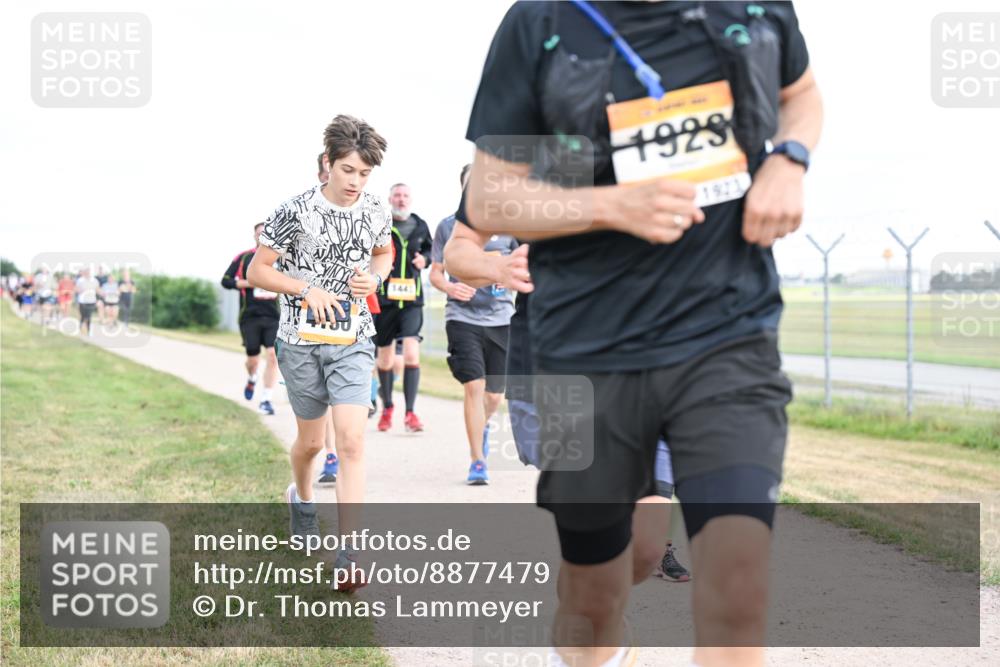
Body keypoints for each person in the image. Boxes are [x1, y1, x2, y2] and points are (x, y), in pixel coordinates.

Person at [462, 2, 822, 665]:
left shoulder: (756, 7)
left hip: (727, 337)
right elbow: (489, 200)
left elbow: (800, 96)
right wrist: (609, 204)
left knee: (738, 583)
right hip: (582, 353)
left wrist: (790, 158)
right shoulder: (541, 23)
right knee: (595, 597)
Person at [248, 114, 393, 592]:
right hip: (299, 343)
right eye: (348, 170)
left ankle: (349, 553)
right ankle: (302, 499)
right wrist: (304, 289)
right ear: (327, 163)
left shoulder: (374, 210)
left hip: (353, 338)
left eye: (365, 174)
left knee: (351, 441)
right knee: (311, 444)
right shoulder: (294, 211)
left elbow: (383, 252)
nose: (356, 182)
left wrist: (377, 277)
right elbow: (258, 270)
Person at [430, 164, 518, 485]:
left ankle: (483, 425)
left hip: (501, 317)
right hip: (462, 316)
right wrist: (450, 287)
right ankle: (477, 461)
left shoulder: (509, 225)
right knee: (474, 386)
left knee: (494, 396)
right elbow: (436, 272)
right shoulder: (448, 227)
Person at [373, 183, 433, 433]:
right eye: (397, 195)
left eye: (405, 195)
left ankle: (410, 413)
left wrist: (425, 259)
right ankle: (387, 408)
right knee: (385, 357)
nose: (401, 199)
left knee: (410, 353)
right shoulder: (381, 224)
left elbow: (431, 249)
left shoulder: (420, 225)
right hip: (385, 301)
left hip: (412, 300)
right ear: (390, 198)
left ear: (411, 199)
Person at [221, 223, 281, 416]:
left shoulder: (281, 259)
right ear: (254, 236)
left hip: (274, 316)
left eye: (266, 233)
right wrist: (248, 282)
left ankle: (266, 399)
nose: (262, 236)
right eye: (259, 233)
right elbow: (226, 280)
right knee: (253, 361)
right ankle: (252, 377)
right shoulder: (244, 258)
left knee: (273, 356)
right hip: (250, 316)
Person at [75, 268, 100, 337]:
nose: (87, 274)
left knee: (89, 316)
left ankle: (89, 331)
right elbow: (76, 289)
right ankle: (80, 329)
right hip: (82, 301)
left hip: (91, 301)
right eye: (86, 272)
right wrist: (80, 290)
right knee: (83, 316)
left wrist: (102, 296)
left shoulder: (95, 281)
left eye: (88, 272)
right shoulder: (80, 280)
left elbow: (98, 290)